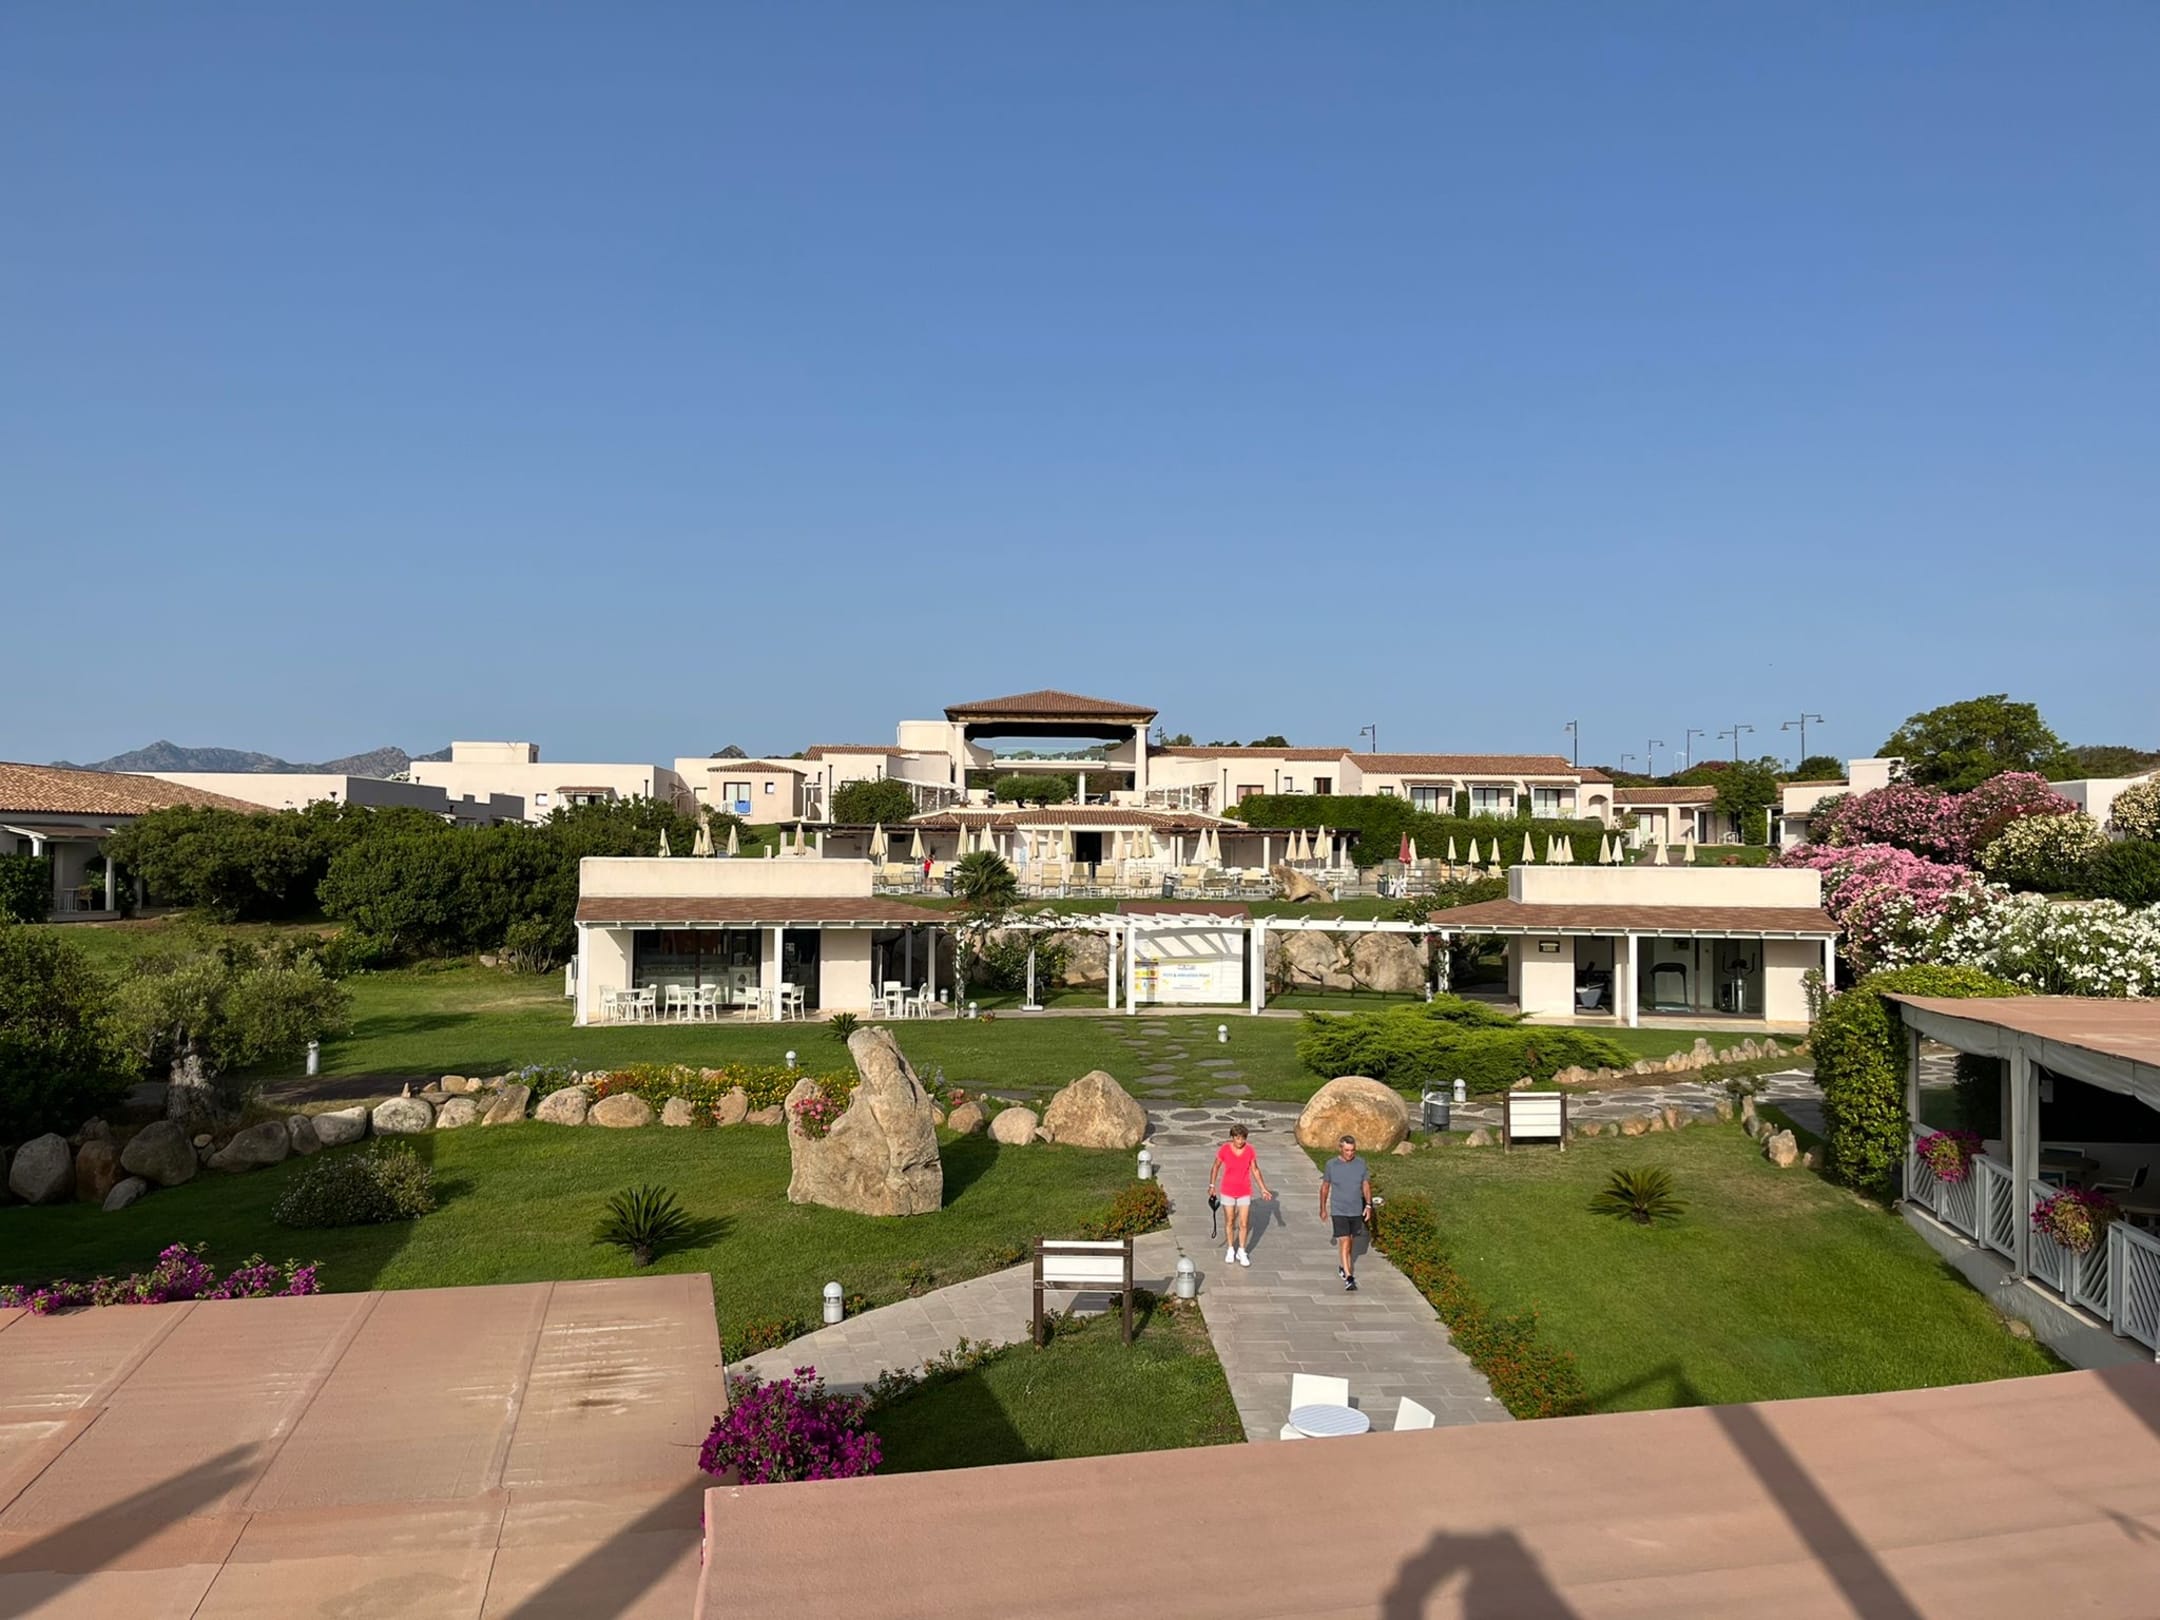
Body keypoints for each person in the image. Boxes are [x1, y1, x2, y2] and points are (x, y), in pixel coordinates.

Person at [1208, 1123, 1274, 1267]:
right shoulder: (1225, 1149)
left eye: (1243, 1138)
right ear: (1232, 1137)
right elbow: (1216, 1166)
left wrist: (1263, 1189)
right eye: (1237, 1138)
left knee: (1244, 1223)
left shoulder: (1250, 1150)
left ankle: (1242, 1251)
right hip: (1228, 1191)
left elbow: (1255, 1170)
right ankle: (1230, 1249)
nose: (1240, 1141)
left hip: (1244, 1191)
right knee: (1230, 1221)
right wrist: (1212, 1185)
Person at [1319, 1134, 1371, 1292]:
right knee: (1345, 1241)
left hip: (1355, 1209)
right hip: (1339, 1210)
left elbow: (1366, 1185)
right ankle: (1349, 1277)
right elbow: (1325, 1187)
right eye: (1347, 1150)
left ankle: (1343, 1266)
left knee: (1350, 1242)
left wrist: (1368, 1205)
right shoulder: (1331, 1165)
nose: (1350, 1153)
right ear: (1340, 1149)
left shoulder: (1361, 1164)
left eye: (1353, 1150)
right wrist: (1323, 1208)